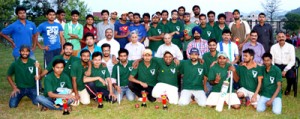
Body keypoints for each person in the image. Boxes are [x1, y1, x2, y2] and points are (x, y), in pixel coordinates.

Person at [270, 31, 296, 96]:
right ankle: (278, 88)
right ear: (277, 38)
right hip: (276, 66)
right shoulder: (273, 47)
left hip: (287, 65)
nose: (281, 38)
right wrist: (276, 69)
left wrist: (285, 70)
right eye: (279, 37)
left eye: (282, 36)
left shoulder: (290, 47)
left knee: (291, 76)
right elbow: (271, 60)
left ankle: (288, 88)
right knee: (273, 74)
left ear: (285, 37)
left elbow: (292, 60)